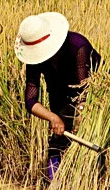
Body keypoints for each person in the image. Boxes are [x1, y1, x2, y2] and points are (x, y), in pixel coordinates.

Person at [15, 12, 100, 183]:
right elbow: (30, 99)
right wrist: (53, 117)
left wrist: (81, 119)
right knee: (57, 143)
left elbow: (85, 90)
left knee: (86, 142)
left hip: (93, 97)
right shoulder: (35, 60)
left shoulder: (79, 47)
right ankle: (54, 184)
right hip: (58, 94)